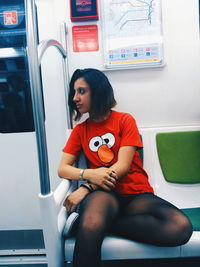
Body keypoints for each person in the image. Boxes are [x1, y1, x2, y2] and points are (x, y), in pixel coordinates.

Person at [58, 68, 193, 267]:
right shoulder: (80, 130)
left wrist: (86, 187)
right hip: (104, 194)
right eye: (74, 92)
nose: (75, 98)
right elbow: (63, 168)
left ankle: (105, 223)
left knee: (180, 227)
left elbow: (122, 166)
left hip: (134, 193)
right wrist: (89, 174)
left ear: (98, 91)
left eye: (82, 91)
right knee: (92, 224)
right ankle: (94, 222)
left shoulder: (124, 120)